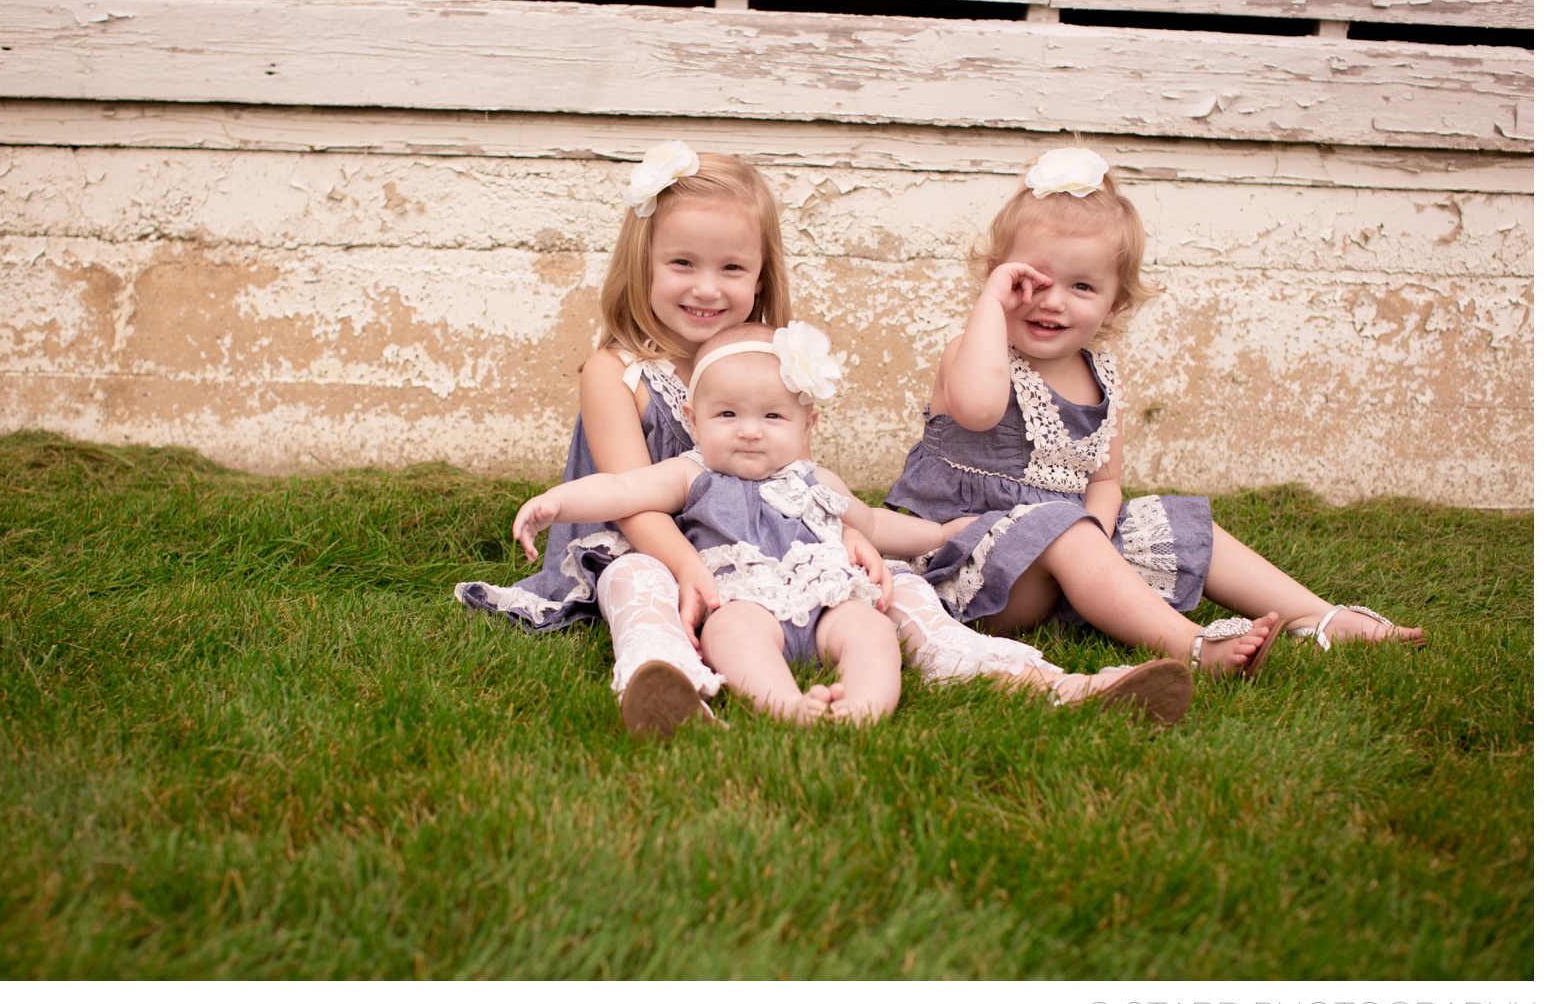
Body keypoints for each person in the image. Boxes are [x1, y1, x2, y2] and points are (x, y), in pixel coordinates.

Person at [458, 141, 1190, 734]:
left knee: (894, 585)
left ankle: (1042, 680)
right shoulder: (615, 370)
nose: (707, 288)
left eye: (731, 268)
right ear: (642, 265)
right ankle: (666, 682)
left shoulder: (769, 356)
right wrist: (688, 570)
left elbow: (799, 481)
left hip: (773, 549)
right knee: (638, 581)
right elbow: (630, 499)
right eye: (682, 264)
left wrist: (853, 536)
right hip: (652, 541)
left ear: (760, 276)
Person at [884, 147, 1425, 674]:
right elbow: (979, 411)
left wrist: (1098, 532)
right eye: (1032, 281)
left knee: (1175, 522)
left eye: (1082, 286)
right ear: (999, 276)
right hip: (970, 565)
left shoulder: (1101, 376)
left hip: (1069, 556)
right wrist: (990, 304)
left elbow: (1105, 481)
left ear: (1114, 303)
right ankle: (1193, 646)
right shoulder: (973, 352)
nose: (1052, 300)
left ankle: (1318, 616)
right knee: (1063, 527)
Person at [511, 323, 1191, 726]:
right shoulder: (691, 473)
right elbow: (622, 488)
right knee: (733, 635)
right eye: (727, 416)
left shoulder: (819, 481)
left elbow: (875, 525)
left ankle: (869, 708)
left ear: (808, 424)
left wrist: (944, 535)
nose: (749, 432)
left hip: (832, 601)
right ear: (693, 419)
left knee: (873, 632)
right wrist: (556, 503)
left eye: (772, 417)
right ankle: (785, 705)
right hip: (741, 600)